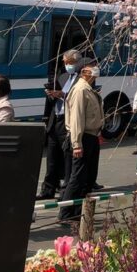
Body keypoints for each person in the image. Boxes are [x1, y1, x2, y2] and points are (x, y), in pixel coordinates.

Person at [38, 50, 86, 201]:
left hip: (69, 120)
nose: (66, 66)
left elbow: (78, 98)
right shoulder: (62, 76)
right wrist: (52, 94)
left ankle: (65, 190)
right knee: (52, 156)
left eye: (69, 63)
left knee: (67, 157)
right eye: (64, 62)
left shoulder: (81, 79)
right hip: (56, 119)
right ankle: (48, 189)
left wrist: (63, 95)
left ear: (76, 63)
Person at [59, 64, 104, 226]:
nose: (96, 72)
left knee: (88, 177)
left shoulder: (88, 89)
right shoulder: (80, 90)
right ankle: (66, 213)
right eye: (93, 69)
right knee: (77, 177)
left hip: (91, 136)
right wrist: (77, 144)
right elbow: (76, 119)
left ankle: (79, 212)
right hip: (82, 137)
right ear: (85, 72)